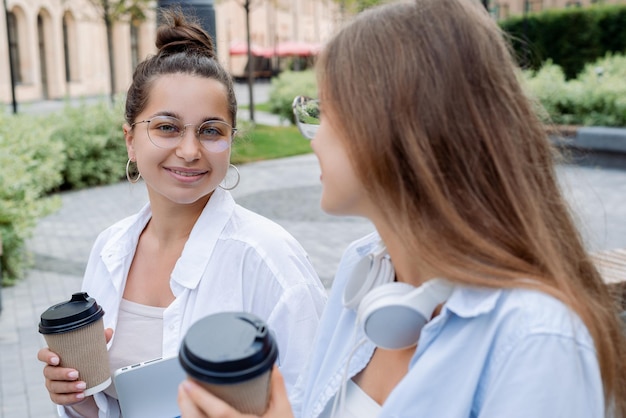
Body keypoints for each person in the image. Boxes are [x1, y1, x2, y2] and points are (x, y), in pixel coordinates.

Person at [176, 0, 626, 417]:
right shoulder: (365, 270)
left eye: (324, 110)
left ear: (397, 129)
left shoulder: (539, 339)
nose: (312, 134)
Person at [37, 9, 327, 418]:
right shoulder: (110, 249)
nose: (190, 151)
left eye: (211, 130)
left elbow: (319, 399)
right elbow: (109, 406)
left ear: (231, 140)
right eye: (167, 127)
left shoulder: (267, 257)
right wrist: (81, 399)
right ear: (131, 140)